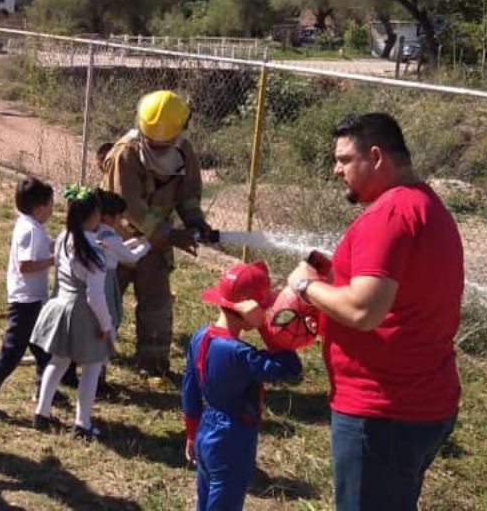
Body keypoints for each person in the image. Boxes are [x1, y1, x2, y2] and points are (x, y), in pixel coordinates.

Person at [286, 113, 463, 511]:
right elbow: (394, 292)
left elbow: (364, 310)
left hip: (382, 410)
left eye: (345, 159)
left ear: (377, 156)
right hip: (422, 400)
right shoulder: (425, 205)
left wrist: (305, 286)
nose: (336, 170)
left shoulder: (388, 215)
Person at [100, 90, 214, 375]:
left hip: (155, 245)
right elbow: (131, 209)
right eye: (153, 142)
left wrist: (195, 221)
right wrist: (172, 235)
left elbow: (189, 194)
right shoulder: (125, 153)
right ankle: (92, 363)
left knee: (157, 305)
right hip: (117, 240)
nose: (157, 147)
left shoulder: (185, 152)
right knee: (105, 301)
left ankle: (153, 366)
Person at [182, 261, 302, 511]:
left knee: (205, 502)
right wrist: (263, 327)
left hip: (205, 428)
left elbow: (190, 390)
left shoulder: (200, 336)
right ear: (250, 308)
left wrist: (192, 432)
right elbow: (292, 369)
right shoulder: (241, 354)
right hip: (233, 435)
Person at [30, 186, 114, 440]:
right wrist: (106, 325)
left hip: (61, 306)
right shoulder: (94, 252)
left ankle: (42, 412)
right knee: (91, 367)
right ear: (95, 215)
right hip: (85, 313)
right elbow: (95, 296)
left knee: (58, 361)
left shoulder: (64, 237)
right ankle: (82, 422)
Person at [0, 177, 55, 419]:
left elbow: (42, 248)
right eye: (51, 204)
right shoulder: (30, 230)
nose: (53, 209)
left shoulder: (32, 225)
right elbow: (26, 265)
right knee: (12, 351)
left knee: (43, 346)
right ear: (39, 208)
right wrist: (54, 260)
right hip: (25, 301)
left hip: (33, 298)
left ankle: (44, 388)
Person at [94, 190, 150, 398]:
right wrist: (146, 245)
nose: (121, 220)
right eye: (118, 216)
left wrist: (134, 242)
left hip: (101, 279)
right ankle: (99, 379)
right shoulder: (108, 233)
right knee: (109, 325)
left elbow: (116, 249)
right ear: (108, 217)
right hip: (107, 281)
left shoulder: (97, 231)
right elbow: (128, 257)